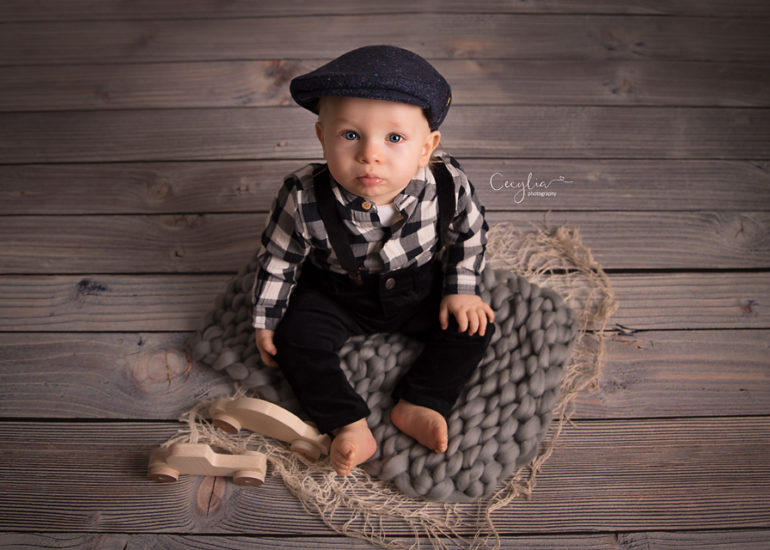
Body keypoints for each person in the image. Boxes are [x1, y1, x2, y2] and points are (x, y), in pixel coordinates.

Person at [251, 45, 495, 476]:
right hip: (335, 291)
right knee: (295, 341)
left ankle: (421, 400)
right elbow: (280, 257)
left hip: (417, 286)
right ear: (322, 136)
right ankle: (347, 422)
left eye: (394, 138)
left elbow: (467, 234)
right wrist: (267, 317)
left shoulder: (446, 183)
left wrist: (460, 290)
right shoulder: (303, 195)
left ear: (427, 146)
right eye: (350, 135)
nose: (370, 154)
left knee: (473, 325)